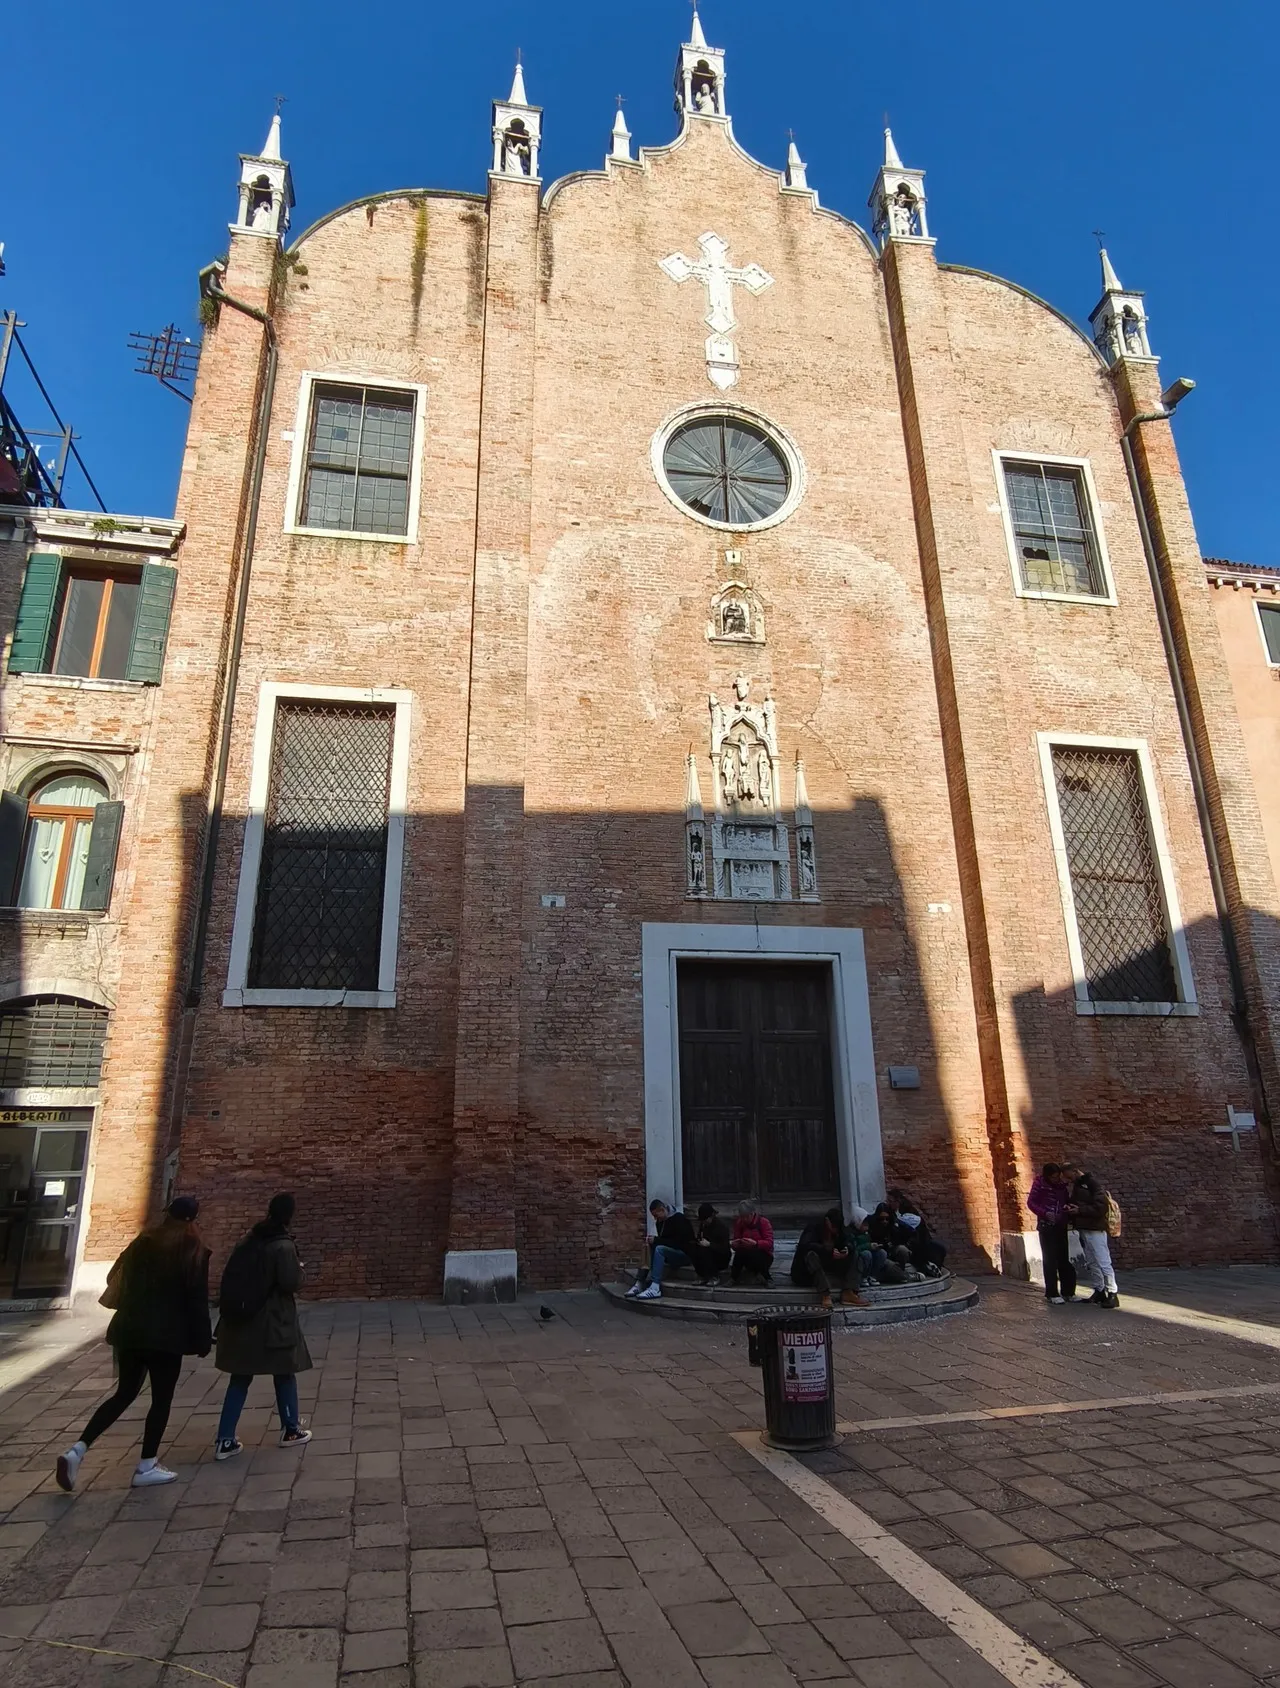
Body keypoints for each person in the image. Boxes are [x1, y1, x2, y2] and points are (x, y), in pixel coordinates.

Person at [56, 1196, 211, 1492]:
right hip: (166, 1336)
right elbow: (197, 1299)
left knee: (124, 1393)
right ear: (192, 1219)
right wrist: (203, 1338)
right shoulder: (193, 1248)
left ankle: (77, 1450)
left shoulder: (144, 1241)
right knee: (161, 1400)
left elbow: (114, 1275)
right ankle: (146, 1465)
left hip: (129, 1330)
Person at [213, 1193, 313, 1459]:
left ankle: (225, 1439)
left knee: (240, 1377)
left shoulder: (249, 1238)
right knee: (284, 1372)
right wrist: (301, 1269)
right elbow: (291, 1282)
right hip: (273, 1322)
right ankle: (291, 1429)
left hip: (243, 1320)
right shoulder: (282, 1246)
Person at [791, 1208, 866, 1308]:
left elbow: (849, 1241)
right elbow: (805, 1246)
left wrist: (846, 1249)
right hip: (808, 1271)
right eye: (833, 1226)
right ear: (827, 1221)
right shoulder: (814, 1227)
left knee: (856, 1254)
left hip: (831, 1264)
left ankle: (849, 1292)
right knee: (811, 1255)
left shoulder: (840, 1230)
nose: (835, 1230)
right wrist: (826, 1250)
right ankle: (825, 1294)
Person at [1067, 1169, 1119, 1309]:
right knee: (1092, 1261)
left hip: (1096, 1229)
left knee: (1103, 1261)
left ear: (1074, 1172)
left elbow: (1100, 1208)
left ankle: (1112, 1293)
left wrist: (1080, 1210)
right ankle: (1099, 1290)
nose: (1067, 1180)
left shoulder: (1093, 1184)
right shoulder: (1078, 1186)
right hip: (1084, 1228)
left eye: (1068, 1176)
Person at [1027, 1163, 1077, 1305]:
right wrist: (1044, 1213)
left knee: (1063, 1258)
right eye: (1053, 1177)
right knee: (1050, 1260)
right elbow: (1031, 1202)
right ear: (1047, 1176)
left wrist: (1067, 1207)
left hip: (1061, 1224)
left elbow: (1065, 1200)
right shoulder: (1039, 1184)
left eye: (1057, 1177)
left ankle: (1068, 1292)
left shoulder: (1062, 1186)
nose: (1056, 1179)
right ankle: (1052, 1293)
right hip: (1046, 1226)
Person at [628, 1199, 697, 1300]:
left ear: (662, 1209)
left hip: (684, 1254)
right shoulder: (660, 1222)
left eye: (656, 1215)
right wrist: (653, 1241)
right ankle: (640, 1282)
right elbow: (664, 1240)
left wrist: (656, 1240)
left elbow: (679, 1243)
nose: (656, 1219)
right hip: (672, 1253)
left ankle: (655, 1286)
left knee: (660, 1249)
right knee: (648, 1247)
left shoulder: (679, 1219)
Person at [889, 1189, 947, 1276]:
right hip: (903, 1243)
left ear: (898, 1201)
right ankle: (926, 1266)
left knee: (940, 1248)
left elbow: (919, 1231)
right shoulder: (889, 1213)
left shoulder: (909, 1211)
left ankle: (934, 1266)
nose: (889, 1203)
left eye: (891, 1201)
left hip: (918, 1239)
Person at [730, 1201, 774, 1285]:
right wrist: (735, 1244)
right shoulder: (739, 1223)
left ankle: (768, 1279)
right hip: (746, 1255)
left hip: (764, 1256)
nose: (745, 1219)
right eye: (742, 1217)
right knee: (739, 1253)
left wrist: (756, 1243)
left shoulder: (763, 1222)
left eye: (747, 1217)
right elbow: (737, 1239)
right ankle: (733, 1278)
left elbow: (769, 1243)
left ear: (752, 1213)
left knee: (756, 1252)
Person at [693, 1202, 731, 1284]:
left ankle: (714, 1277)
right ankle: (702, 1275)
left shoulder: (721, 1227)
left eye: (705, 1220)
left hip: (721, 1257)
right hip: (706, 1254)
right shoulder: (703, 1226)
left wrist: (709, 1244)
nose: (704, 1222)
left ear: (711, 1217)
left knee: (707, 1251)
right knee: (695, 1250)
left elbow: (724, 1248)